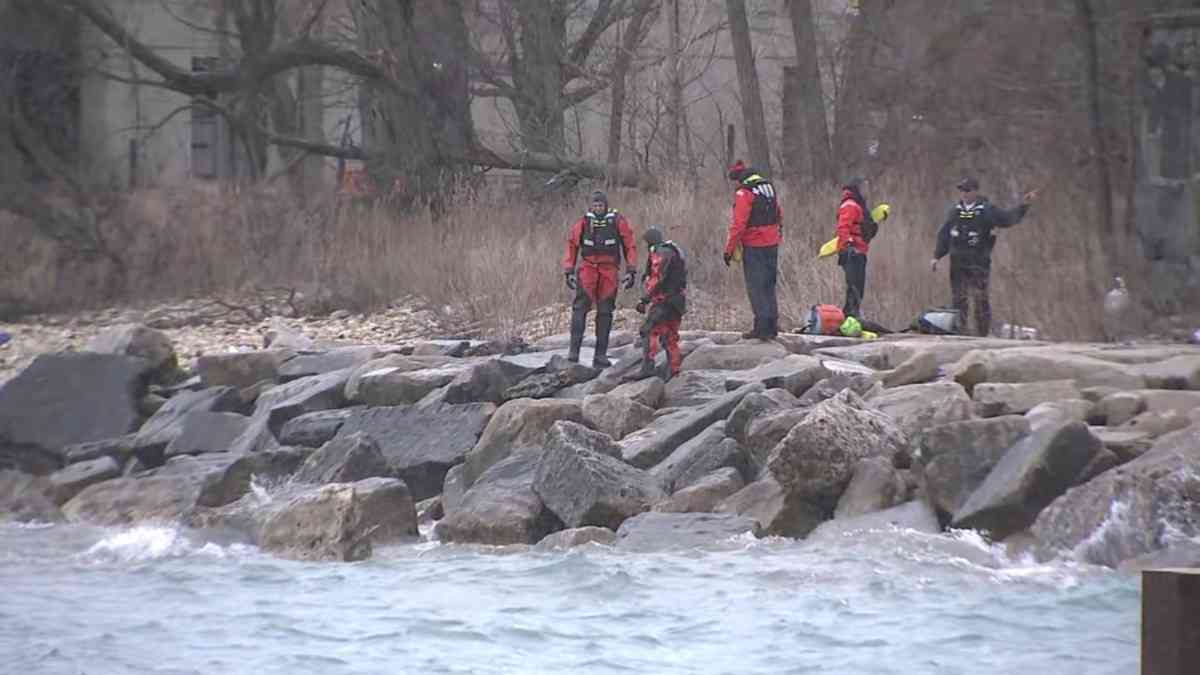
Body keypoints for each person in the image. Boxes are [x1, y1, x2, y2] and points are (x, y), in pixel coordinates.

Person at [929, 176, 1037, 337]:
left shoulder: (986, 210)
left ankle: (982, 334)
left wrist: (1023, 205)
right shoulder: (955, 211)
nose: (964, 194)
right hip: (957, 262)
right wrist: (936, 256)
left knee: (980, 299)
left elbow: (1007, 219)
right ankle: (960, 331)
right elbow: (945, 235)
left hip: (978, 261)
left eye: (968, 190)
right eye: (962, 190)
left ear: (975, 191)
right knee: (958, 299)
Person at [562, 190, 638, 368]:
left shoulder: (618, 221)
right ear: (591, 206)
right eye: (595, 205)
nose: (598, 208)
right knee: (580, 308)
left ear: (606, 206)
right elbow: (572, 245)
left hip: (609, 270)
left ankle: (600, 355)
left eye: (600, 205)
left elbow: (630, 245)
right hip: (588, 268)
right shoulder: (583, 222)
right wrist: (569, 270)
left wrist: (631, 270)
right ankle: (574, 352)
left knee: (605, 311)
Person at [724, 160, 783, 340]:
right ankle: (772, 326)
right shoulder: (768, 187)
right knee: (769, 285)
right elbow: (779, 213)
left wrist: (729, 250)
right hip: (772, 242)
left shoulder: (744, 192)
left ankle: (761, 329)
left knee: (756, 287)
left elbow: (739, 224)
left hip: (754, 245)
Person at [636, 227, 687, 379]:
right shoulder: (673, 250)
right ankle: (674, 370)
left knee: (647, 330)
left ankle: (647, 368)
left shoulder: (660, 253)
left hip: (665, 300)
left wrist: (644, 299)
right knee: (669, 335)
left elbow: (659, 278)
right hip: (678, 301)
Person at [836, 177, 876, 319]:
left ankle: (852, 315)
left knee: (858, 287)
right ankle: (850, 316)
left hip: (860, 251)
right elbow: (843, 227)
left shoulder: (860, 205)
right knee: (854, 287)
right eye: (864, 187)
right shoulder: (850, 205)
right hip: (852, 252)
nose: (867, 191)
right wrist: (848, 245)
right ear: (857, 188)